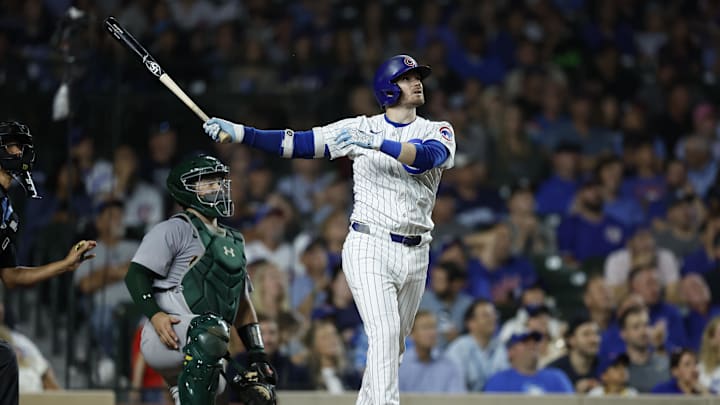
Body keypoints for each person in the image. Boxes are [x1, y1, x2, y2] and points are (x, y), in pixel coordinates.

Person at [203, 54, 456, 405]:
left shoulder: (437, 129)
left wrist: (377, 143)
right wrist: (241, 132)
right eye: (406, 77)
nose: (417, 82)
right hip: (370, 243)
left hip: (417, 251)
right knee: (383, 335)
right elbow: (299, 143)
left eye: (417, 76)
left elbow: (427, 158)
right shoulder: (359, 127)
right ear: (387, 89)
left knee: (393, 347)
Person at [123, 154, 276, 405]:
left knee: (262, 395)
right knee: (211, 330)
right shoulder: (174, 228)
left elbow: (243, 304)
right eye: (208, 182)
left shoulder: (235, 239)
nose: (217, 187)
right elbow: (136, 274)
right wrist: (155, 314)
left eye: (218, 181)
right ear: (186, 190)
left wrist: (258, 353)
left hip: (208, 346)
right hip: (167, 334)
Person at [0, 121, 96, 405]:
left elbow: (11, 277)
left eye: (23, 149)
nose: (20, 154)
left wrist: (63, 266)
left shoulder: (7, 208)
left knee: (5, 359)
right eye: (13, 148)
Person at [483, 331, 574, 394]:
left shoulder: (557, 378)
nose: (532, 345)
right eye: (525, 342)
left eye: (535, 342)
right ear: (510, 351)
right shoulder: (498, 380)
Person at [397, 310, 465, 393]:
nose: (431, 333)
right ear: (411, 333)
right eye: (425, 328)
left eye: (433, 327)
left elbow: (457, 399)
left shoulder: (450, 364)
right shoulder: (400, 364)